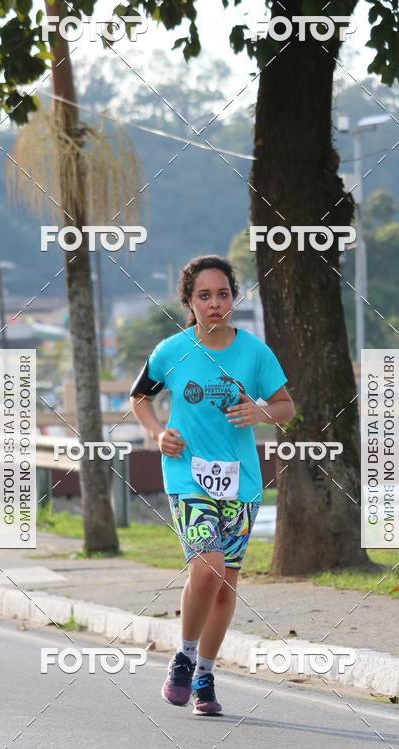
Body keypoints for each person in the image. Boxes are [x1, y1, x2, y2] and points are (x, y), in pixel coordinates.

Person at [129, 255, 294, 715]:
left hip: (240, 483)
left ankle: (205, 675)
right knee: (208, 569)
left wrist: (260, 412)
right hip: (187, 476)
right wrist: (157, 432)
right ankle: (182, 657)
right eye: (205, 295)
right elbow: (139, 395)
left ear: (232, 298)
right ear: (189, 301)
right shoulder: (171, 350)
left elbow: (285, 406)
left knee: (225, 586)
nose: (215, 303)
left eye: (223, 294)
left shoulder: (254, 353)